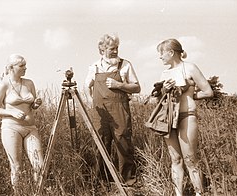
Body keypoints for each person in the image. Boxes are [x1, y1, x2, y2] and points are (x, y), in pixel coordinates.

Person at [155, 38, 213, 196]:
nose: (160, 57)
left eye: (161, 53)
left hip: (187, 116)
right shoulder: (164, 73)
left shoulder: (190, 68)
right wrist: (163, 91)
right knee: (175, 160)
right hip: (168, 119)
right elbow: (159, 100)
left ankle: (199, 193)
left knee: (190, 160)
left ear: (171, 52)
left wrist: (191, 93)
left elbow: (208, 92)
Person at [85, 34, 141, 187]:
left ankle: (128, 181)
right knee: (100, 143)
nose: (116, 51)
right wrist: (92, 101)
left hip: (119, 109)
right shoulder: (94, 67)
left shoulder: (125, 65)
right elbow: (86, 86)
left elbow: (137, 87)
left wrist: (119, 85)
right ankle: (100, 182)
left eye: (117, 48)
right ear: (102, 50)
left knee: (123, 142)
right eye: (112, 49)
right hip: (100, 112)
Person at [0, 54, 44, 193]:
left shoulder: (29, 83)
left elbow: (32, 105)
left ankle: (37, 193)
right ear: (11, 68)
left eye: (25, 65)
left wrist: (36, 104)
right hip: (11, 128)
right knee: (17, 167)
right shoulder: (4, 84)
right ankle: (18, 193)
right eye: (21, 66)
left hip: (30, 128)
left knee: (39, 165)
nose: (25, 68)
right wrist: (12, 113)